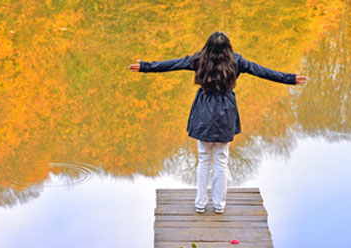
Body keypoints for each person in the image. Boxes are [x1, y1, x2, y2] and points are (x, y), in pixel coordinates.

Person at [129, 31, 307, 214]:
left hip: (204, 110)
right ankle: (219, 205)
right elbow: (263, 72)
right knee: (222, 159)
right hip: (225, 112)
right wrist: (290, 79)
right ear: (228, 47)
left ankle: (200, 204)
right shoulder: (236, 61)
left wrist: (145, 67)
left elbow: (172, 64)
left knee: (204, 159)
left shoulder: (199, 60)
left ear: (208, 45)